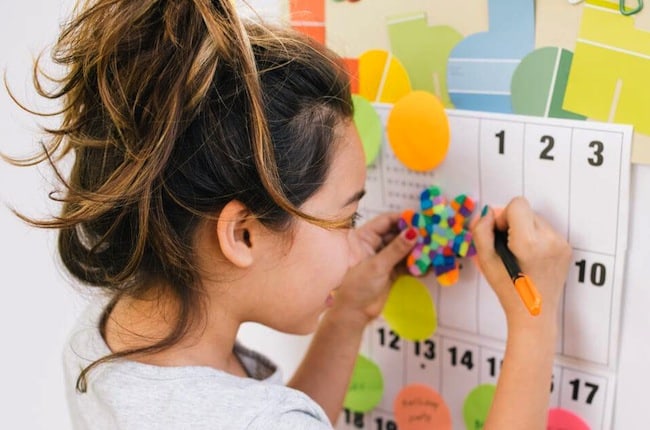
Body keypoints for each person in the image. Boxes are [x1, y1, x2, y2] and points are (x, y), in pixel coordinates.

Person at [7, 0, 572, 428]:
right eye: (345, 221)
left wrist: (347, 315)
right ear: (244, 234)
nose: (352, 250)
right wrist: (534, 318)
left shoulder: (101, 340)